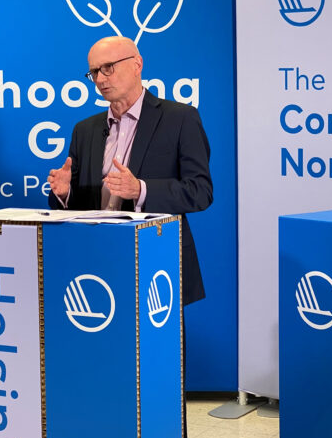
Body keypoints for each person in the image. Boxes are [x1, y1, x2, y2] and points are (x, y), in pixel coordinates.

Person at [48, 36, 213, 307]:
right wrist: (65, 194)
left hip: (156, 264)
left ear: (137, 64)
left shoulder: (180, 118)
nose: (100, 79)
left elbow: (200, 192)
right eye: (94, 72)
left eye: (108, 67)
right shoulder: (84, 130)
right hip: (96, 263)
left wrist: (140, 190)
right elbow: (79, 207)